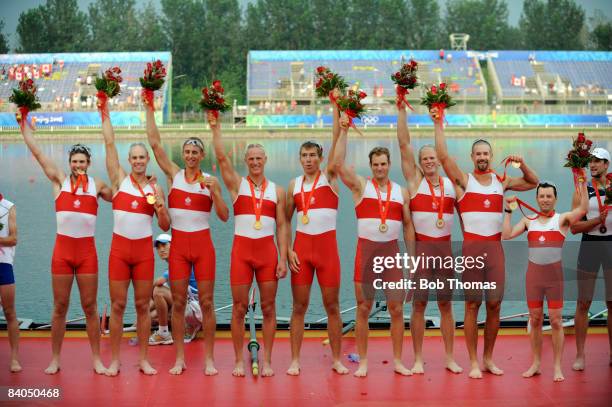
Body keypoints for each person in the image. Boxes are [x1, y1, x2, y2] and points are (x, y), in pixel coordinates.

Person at [433, 106, 539, 378]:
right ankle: (472, 362)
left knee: (494, 305)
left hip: (495, 252)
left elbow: (533, 182)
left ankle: (489, 359)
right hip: (472, 252)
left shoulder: (501, 181)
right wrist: (439, 122)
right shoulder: (463, 182)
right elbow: (443, 156)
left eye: (486, 154)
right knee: (472, 305)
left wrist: (522, 162)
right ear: (472, 157)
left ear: (491, 156)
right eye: (478, 154)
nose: (482, 157)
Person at [18, 115, 112, 375]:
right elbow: (37, 153)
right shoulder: (59, 180)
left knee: (90, 307)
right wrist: (24, 126)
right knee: (60, 307)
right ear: (69, 163)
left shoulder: (98, 185)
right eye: (74, 161)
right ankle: (55, 359)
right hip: (62, 252)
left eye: (82, 161)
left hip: (86, 254)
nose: (78, 165)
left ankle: (96, 359)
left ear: (89, 163)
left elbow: (122, 197)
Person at [146, 105, 229, 375]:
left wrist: (215, 193)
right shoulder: (174, 175)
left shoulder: (209, 180)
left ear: (202, 155)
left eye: (195, 152)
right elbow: (156, 145)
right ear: (182, 155)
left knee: (207, 303)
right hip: (180, 246)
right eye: (187, 152)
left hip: (203, 246)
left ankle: (209, 360)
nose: (191, 156)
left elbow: (225, 216)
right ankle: (179, 358)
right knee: (179, 303)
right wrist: (149, 106)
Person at [333, 113, 416, 377]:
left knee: (397, 309)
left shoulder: (401, 192)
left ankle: (398, 361)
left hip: (391, 254)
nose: (380, 168)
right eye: (376, 164)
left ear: (389, 164)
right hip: (366, 253)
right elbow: (336, 164)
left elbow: (408, 227)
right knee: (364, 308)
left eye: (383, 164)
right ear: (370, 166)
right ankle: (365, 361)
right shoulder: (360, 187)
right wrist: (344, 130)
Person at [210, 111, 288, 377]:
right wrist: (216, 126)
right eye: (251, 159)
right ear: (245, 161)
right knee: (239, 308)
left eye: (259, 158)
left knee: (268, 307)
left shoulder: (277, 190)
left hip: (267, 253)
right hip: (241, 253)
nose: (255, 162)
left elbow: (281, 226)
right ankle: (238, 361)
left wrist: (283, 258)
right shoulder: (236, 185)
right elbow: (221, 157)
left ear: (265, 160)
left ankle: (267, 361)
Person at [100, 102, 170, 376]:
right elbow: (109, 142)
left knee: (142, 306)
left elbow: (164, 225)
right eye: (135, 158)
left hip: (142, 253)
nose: (139, 161)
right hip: (119, 252)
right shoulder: (119, 180)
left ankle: (143, 359)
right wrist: (104, 111)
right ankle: (115, 361)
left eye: (143, 157)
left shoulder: (156, 187)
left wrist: (160, 207)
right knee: (118, 306)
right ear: (129, 161)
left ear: (147, 160)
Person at [395, 102, 462, 374]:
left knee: (446, 304)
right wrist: (401, 108)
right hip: (422, 252)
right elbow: (403, 145)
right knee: (420, 304)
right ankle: (419, 359)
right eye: (425, 159)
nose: (430, 161)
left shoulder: (452, 186)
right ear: (420, 164)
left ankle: (449, 357)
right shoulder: (415, 183)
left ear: (438, 160)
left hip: (445, 251)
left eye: (433, 158)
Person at [286, 89, 348, 376]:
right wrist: (286, 250)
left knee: (332, 305)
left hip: (326, 252)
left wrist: (335, 106)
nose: (308, 159)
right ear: (300, 159)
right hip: (301, 251)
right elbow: (284, 221)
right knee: (299, 306)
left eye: (313, 155)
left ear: (320, 158)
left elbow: (337, 140)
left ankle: (336, 359)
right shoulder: (293, 185)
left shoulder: (331, 178)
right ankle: (295, 360)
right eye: (304, 155)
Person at [502, 178, 588, 381]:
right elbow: (506, 235)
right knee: (536, 320)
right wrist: (508, 211)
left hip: (554, 278)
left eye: (549, 196)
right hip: (533, 278)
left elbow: (583, 209)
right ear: (537, 198)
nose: (545, 200)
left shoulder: (562, 219)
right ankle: (536, 364)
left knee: (556, 321)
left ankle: (557, 366)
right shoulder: (528, 220)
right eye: (542, 196)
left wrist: (582, 180)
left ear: (555, 199)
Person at [570, 147, 612, 370]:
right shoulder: (581, 189)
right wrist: (596, 221)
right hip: (590, 246)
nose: (593, 165)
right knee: (583, 302)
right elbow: (574, 228)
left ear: (607, 165)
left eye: (598, 161)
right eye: (591, 161)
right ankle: (579, 355)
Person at [148, 234, 201, 345]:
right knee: (152, 313)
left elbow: (158, 283)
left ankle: (164, 334)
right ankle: (151, 325)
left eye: (164, 245)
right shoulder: (174, 263)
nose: (161, 249)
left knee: (158, 291)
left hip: (193, 310)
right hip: (188, 306)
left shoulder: (179, 262)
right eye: (158, 247)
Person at [0, 192, 20, 372]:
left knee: (9, 312)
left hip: (3, 265)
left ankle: (14, 359)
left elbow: (13, 239)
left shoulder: (9, 207)